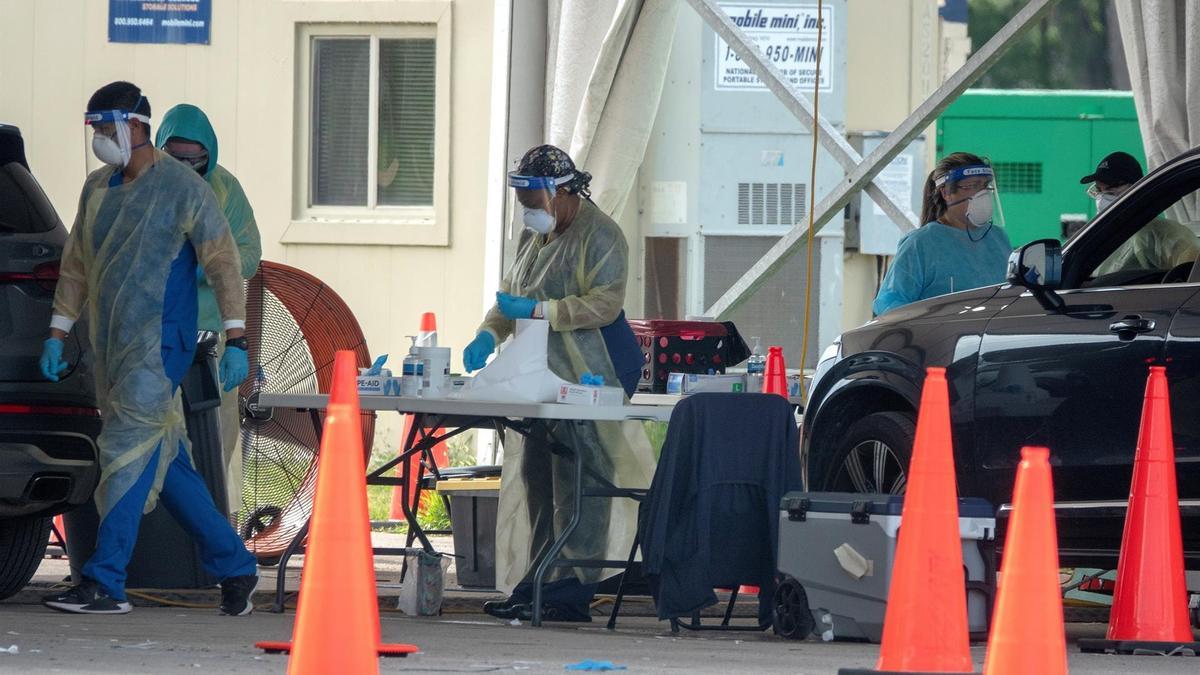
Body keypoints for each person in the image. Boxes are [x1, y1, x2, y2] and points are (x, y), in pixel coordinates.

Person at [37, 82, 258, 615]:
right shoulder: (97, 190)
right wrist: (58, 332)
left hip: (161, 346)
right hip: (110, 348)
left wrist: (237, 340)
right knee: (167, 461)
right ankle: (237, 567)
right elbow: (76, 266)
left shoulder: (184, 189)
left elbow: (226, 264)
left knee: (124, 453)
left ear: (135, 125)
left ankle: (105, 581)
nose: (99, 138)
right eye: (92, 129)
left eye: (105, 127)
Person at [464, 145, 654, 622]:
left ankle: (570, 589)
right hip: (543, 374)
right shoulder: (536, 240)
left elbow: (604, 304)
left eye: (535, 199)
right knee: (538, 480)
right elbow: (514, 296)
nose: (529, 211)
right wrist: (489, 333)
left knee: (579, 479)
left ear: (565, 192)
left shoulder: (602, 235)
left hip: (594, 369)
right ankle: (538, 581)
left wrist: (540, 312)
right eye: (523, 201)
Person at [156, 104, 263, 515]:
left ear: (209, 156)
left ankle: (216, 534)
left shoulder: (224, 191)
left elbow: (249, 256)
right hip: (155, 337)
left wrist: (211, 263)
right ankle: (163, 541)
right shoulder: (142, 188)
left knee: (214, 444)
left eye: (194, 159)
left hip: (210, 340)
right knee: (159, 444)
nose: (185, 167)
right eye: (175, 157)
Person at [873, 152, 1013, 316]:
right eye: (972, 186)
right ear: (946, 193)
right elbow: (890, 305)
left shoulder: (997, 238)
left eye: (985, 186)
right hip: (944, 339)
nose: (982, 194)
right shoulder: (920, 244)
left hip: (992, 338)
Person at [1082, 151, 1199, 276]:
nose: (1103, 198)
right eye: (1099, 191)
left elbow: (1192, 281)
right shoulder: (1098, 236)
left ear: (1136, 188)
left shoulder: (1163, 234)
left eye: (1111, 189)